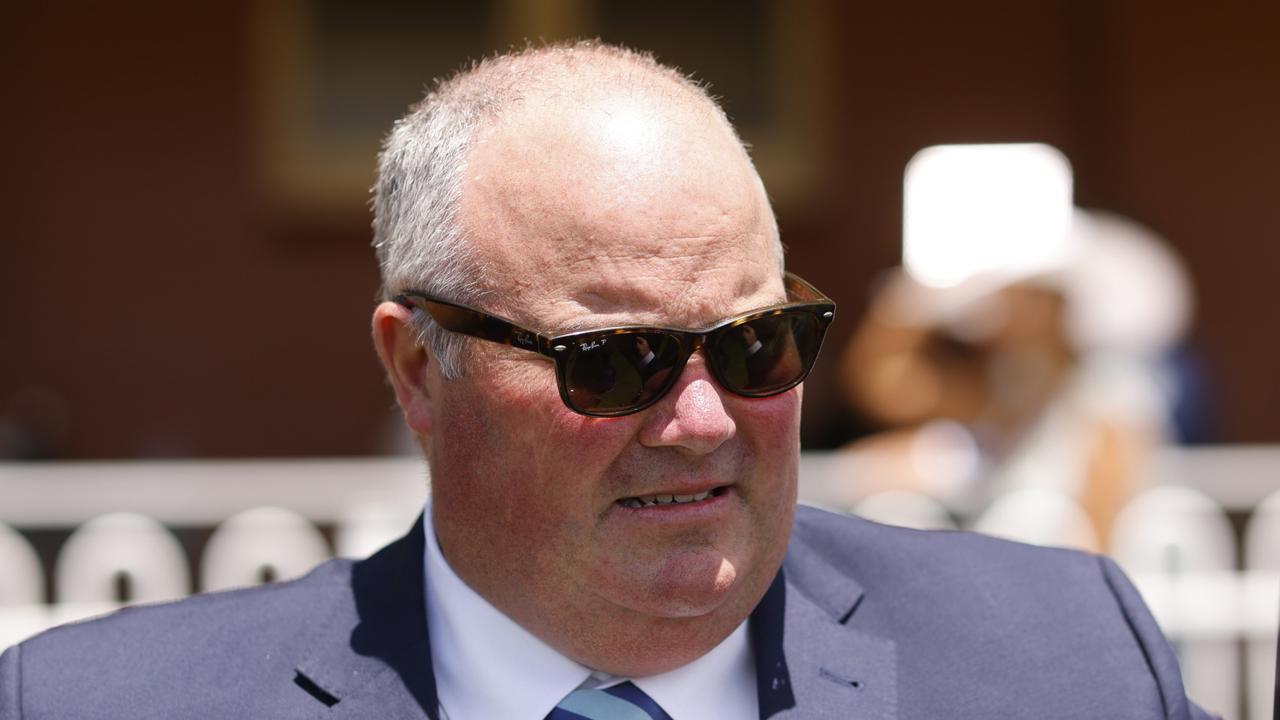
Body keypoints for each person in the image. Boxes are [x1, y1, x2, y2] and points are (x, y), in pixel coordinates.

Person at [0, 42, 1213, 719]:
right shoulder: (97, 707)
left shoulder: (1066, 662)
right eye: (614, 363)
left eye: (753, 347)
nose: (699, 422)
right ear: (419, 368)